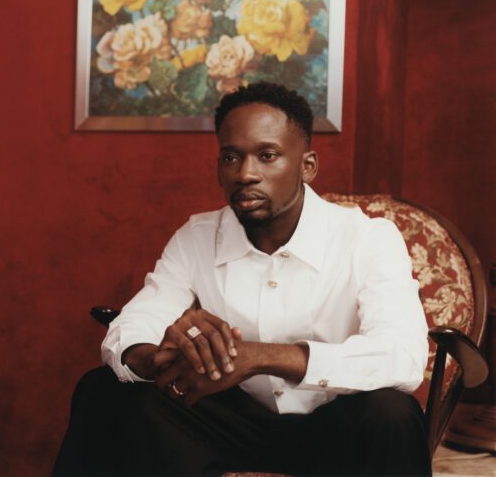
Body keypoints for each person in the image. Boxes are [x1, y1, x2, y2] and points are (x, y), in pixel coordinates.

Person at [54, 82, 431, 476]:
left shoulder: (368, 238)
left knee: (392, 412)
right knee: (104, 391)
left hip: (336, 425)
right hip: (230, 424)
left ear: (307, 166)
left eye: (267, 156)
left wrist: (256, 357)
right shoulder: (197, 236)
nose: (245, 174)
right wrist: (160, 358)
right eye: (231, 157)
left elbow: (401, 357)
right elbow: (135, 323)